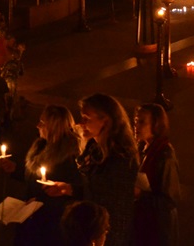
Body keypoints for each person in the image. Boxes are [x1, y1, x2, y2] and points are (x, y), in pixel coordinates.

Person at [49, 94, 139, 246]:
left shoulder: (121, 157)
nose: (81, 123)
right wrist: (68, 189)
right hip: (91, 227)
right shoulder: (94, 148)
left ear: (106, 121)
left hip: (107, 231)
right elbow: (94, 189)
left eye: (87, 118)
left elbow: (111, 201)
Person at [5, 105, 82, 245]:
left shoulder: (69, 157)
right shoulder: (41, 146)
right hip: (30, 214)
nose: (37, 125)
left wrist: (41, 201)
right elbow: (35, 178)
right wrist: (15, 169)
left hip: (49, 223)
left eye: (43, 123)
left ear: (54, 127)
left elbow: (71, 193)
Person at [133, 103, 180, 246]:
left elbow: (169, 201)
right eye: (135, 121)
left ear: (156, 125)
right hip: (144, 223)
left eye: (142, 122)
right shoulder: (142, 148)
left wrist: (140, 194)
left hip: (157, 230)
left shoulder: (164, 155)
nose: (136, 126)